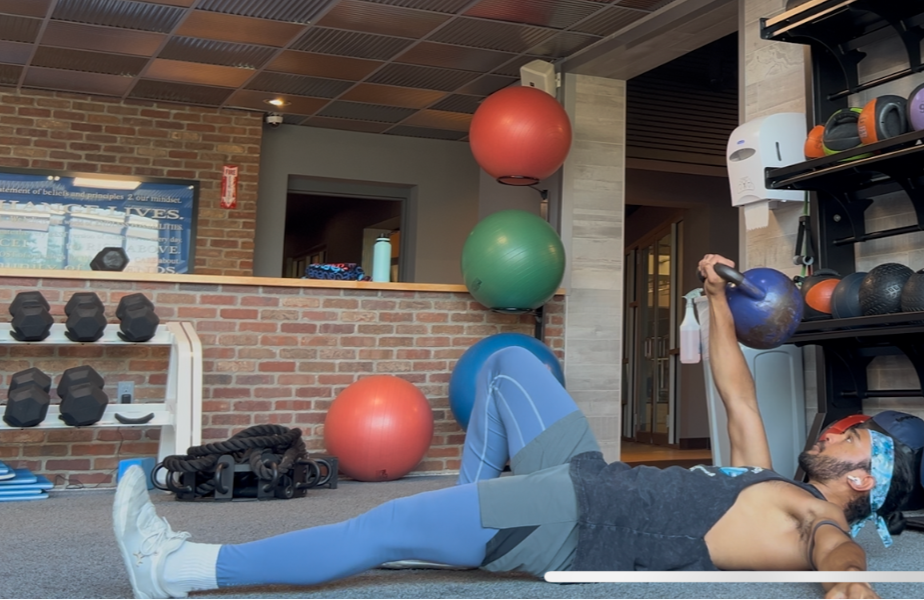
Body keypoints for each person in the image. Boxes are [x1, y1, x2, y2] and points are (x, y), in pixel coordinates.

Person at [113, 253, 916, 600]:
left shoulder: (809, 514)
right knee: (512, 364)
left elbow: (831, 550)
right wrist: (712, 293)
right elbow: (737, 392)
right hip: (586, 477)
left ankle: (182, 567)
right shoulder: (769, 479)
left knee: (388, 521)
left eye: (853, 437)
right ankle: (463, 518)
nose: (838, 430)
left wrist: (850, 576)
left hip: (577, 521)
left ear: (861, 478)